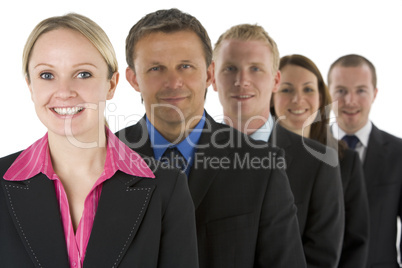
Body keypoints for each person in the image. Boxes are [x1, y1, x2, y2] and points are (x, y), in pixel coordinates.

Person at [0, 13, 199, 268]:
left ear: (111, 84)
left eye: (83, 74)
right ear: (29, 85)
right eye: (47, 75)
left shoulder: (167, 189)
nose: (64, 91)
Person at [116, 8, 306, 268]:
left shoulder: (263, 167)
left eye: (186, 66)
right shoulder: (101, 161)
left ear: (208, 74)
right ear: (133, 78)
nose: (174, 82)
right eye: (156, 68)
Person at [212, 24, 345, 267]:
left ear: (275, 80)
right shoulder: (188, 155)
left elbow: (321, 260)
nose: (242, 81)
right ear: (212, 78)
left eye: (255, 69)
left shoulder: (318, 163)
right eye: (230, 68)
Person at [272, 54, 370, 267]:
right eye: (286, 89)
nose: (297, 99)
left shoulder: (344, 161)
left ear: (321, 96)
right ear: (272, 94)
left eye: (308, 89)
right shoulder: (256, 158)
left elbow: (355, 243)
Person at [328, 54, 402, 268]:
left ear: (374, 94)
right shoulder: (309, 151)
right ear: (328, 93)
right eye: (341, 91)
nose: (350, 100)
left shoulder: (399, 154)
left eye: (360, 90)